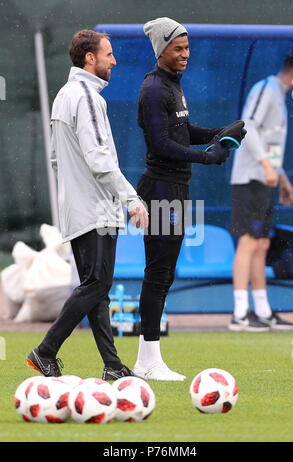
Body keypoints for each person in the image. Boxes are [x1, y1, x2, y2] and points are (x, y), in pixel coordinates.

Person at [26, 29, 148, 380]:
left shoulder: (64, 94)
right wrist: (131, 200)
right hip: (96, 210)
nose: (114, 60)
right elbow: (99, 158)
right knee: (96, 285)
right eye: (108, 54)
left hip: (78, 210)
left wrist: (73, 196)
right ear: (89, 58)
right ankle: (45, 350)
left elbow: (54, 159)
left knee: (98, 290)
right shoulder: (87, 96)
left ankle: (112, 366)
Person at [132, 17, 246, 381]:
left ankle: (149, 359)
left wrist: (219, 132)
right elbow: (161, 143)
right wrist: (206, 156)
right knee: (158, 274)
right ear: (161, 50)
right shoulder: (153, 88)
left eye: (187, 47)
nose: (186, 54)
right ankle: (147, 361)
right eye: (178, 48)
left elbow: (181, 131)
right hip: (160, 190)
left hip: (177, 189)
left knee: (165, 274)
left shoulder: (173, 86)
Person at [228, 50, 293, 332]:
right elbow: (248, 127)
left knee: (262, 243)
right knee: (248, 241)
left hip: (265, 181)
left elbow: (270, 146)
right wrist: (266, 167)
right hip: (248, 179)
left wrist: (280, 178)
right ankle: (239, 314)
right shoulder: (265, 89)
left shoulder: (280, 99)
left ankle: (263, 311)